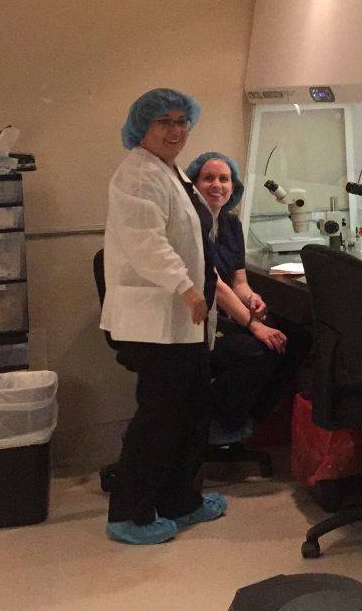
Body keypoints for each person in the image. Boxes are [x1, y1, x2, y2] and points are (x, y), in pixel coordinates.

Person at [100, 88, 228, 545]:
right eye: (164, 122)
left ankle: (179, 500)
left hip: (182, 319)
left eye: (181, 121)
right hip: (156, 319)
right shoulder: (138, 174)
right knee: (159, 419)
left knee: (191, 413)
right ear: (143, 127)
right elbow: (147, 243)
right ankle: (129, 515)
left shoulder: (169, 170)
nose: (176, 130)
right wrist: (187, 288)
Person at [184, 151, 296, 445]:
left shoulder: (231, 224)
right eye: (208, 178)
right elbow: (216, 286)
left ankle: (247, 419)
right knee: (259, 349)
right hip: (197, 319)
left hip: (226, 312)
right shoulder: (192, 225)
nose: (217, 185)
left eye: (224, 179)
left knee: (294, 338)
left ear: (233, 186)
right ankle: (215, 424)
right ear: (194, 184)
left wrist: (252, 299)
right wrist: (254, 325)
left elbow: (238, 281)